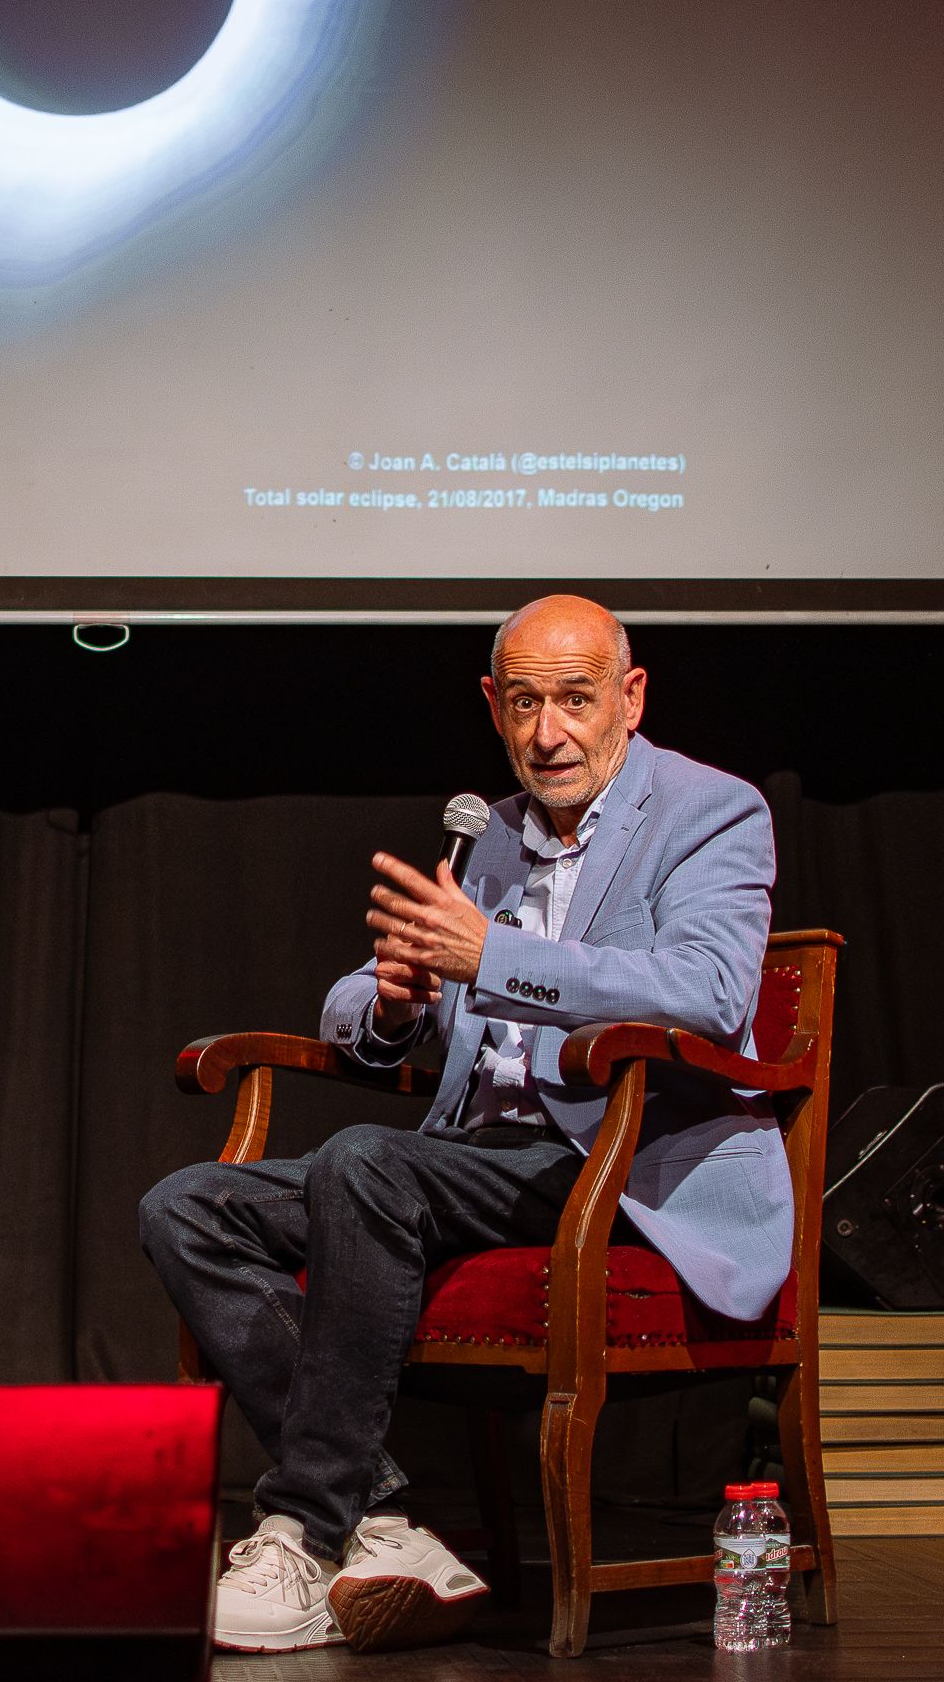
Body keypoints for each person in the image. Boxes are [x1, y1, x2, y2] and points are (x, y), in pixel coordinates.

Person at [139, 594, 786, 1655]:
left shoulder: (710, 811)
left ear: (630, 698)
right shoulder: (489, 837)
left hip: (614, 1161)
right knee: (186, 1207)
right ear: (493, 705)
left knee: (363, 1161)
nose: (549, 732)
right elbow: (358, 1001)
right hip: (473, 1159)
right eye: (524, 703)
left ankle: (306, 1529)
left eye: (576, 700)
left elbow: (711, 993)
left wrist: (495, 957)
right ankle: (384, 1521)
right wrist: (393, 1005)